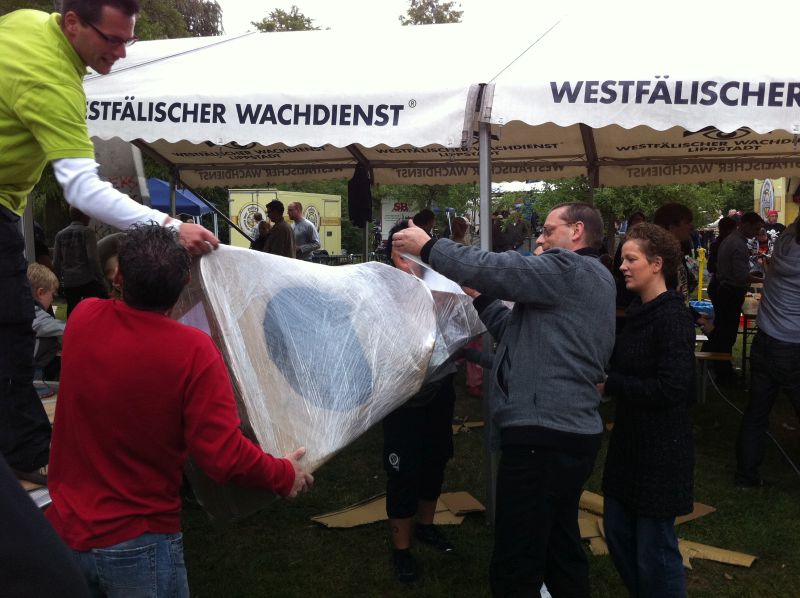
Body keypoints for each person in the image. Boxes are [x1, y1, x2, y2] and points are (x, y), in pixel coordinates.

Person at [0, 0, 218, 483]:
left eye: (127, 40)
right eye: (112, 39)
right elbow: (82, 189)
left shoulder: (24, 23)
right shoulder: (52, 81)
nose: (120, 53)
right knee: (12, 325)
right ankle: (28, 452)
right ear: (72, 23)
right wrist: (170, 225)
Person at [45, 223, 313, 596]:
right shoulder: (194, 351)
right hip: (138, 544)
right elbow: (223, 456)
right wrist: (282, 475)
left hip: (64, 536)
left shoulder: (83, 318)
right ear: (185, 282)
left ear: (118, 276)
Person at [392, 202, 616, 597]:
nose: (541, 239)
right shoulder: (587, 279)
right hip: (567, 435)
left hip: (543, 439)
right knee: (559, 544)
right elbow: (514, 331)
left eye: (548, 231)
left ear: (577, 231)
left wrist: (429, 247)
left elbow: (499, 268)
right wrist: (479, 298)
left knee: (518, 557)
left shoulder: (570, 268)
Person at [600, 223, 695, 597]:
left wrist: (613, 384)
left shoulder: (672, 317)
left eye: (631, 259)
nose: (622, 266)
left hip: (660, 450)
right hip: (629, 444)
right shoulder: (639, 310)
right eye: (623, 259)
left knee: (654, 551)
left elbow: (673, 388)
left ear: (657, 265)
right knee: (618, 531)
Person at [381, 221, 458, 583]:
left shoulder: (439, 286)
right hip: (402, 398)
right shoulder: (381, 291)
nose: (410, 261)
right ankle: (402, 550)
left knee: (436, 458)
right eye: (403, 253)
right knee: (402, 470)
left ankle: (426, 526)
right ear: (393, 255)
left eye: (416, 251)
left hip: (440, 389)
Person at [735, 216, 800, 488]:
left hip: (765, 341)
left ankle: (745, 476)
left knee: (756, 414)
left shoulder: (784, 245)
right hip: (793, 347)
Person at [705, 212, 764, 383]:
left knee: (723, 331)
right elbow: (741, 276)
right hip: (731, 292)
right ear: (745, 224)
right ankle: (723, 374)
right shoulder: (738, 244)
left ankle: (719, 367)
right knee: (727, 334)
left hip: (726, 289)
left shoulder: (732, 240)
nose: (757, 232)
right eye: (755, 228)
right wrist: (764, 280)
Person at [53, 207, 108, 318]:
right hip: (87, 281)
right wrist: (102, 280)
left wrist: (57, 283)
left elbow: (56, 262)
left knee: (71, 313)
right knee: (94, 310)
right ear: (84, 215)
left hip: (69, 283)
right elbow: (93, 259)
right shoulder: (87, 233)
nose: (90, 218)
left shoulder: (60, 235)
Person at [28, 264, 66, 384]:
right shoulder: (33, 313)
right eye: (52, 295)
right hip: (31, 372)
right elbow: (64, 330)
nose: (52, 300)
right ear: (41, 292)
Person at [706, 216, 737, 303]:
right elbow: (711, 267)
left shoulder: (715, 244)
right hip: (723, 287)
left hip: (718, 285)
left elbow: (710, 267)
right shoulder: (722, 245)